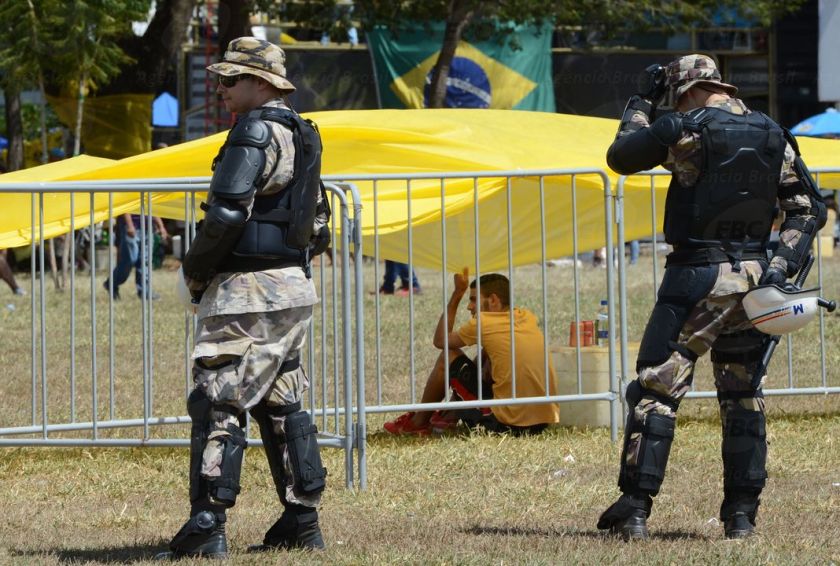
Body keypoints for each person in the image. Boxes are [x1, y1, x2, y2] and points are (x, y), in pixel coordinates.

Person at [598, 54, 826, 540]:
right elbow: (807, 210)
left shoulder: (687, 128)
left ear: (683, 89)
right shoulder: (771, 131)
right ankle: (741, 517)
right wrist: (780, 268)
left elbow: (621, 156)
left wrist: (641, 101)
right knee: (743, 397)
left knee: (656, 392)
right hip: (755, 282)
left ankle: (635, 509)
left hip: (696, 277)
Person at [157, 37, 331, 559]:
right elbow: (318, 222)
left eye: (232, 79)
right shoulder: (304, 133)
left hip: (246, 290)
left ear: (263, 83)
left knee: (217, 401)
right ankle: (302, 519)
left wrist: (195, 270)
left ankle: (207, 524)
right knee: (282, 403)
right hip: (291, 289)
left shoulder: (253, 131)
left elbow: (228, 214)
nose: (223, 88)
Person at [384, 270, 560, 436]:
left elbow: (440, 341)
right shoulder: (525, 316)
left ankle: (418, 422)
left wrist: (457, 294)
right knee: (485, 354)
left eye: (474, 299)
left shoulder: (484, 323)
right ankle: (449, 415)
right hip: (542, 422)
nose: (469, 306)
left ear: (493, 300)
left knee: (449, 356)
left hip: (507, 425)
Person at [103, 213, 169, 300]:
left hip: (148, 228)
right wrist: (130, 225)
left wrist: (161, 226)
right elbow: (125, 207)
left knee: (145, 262)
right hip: (131, 227)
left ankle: (145, 292)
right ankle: (111, 283)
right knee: (130, 260)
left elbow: (153, 207)